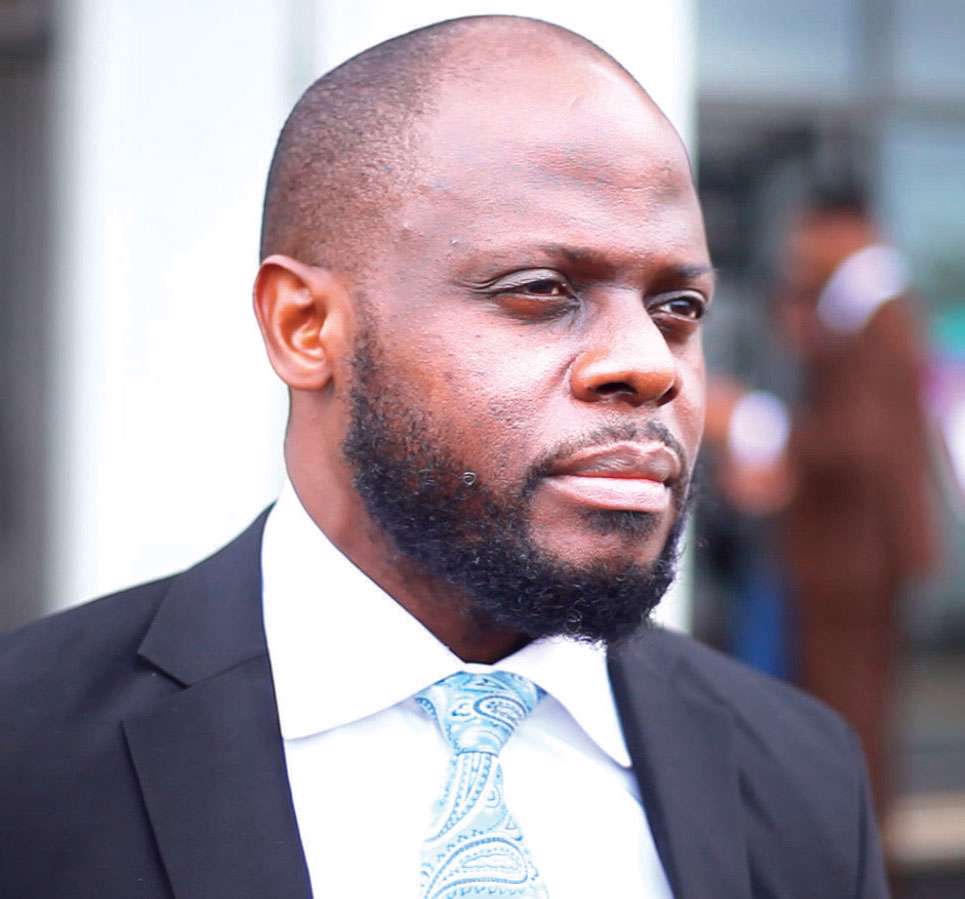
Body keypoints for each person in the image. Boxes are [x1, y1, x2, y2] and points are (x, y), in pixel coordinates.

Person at [0, 17, 887, 898]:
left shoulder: (799, 775)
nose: (650, 365)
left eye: (678, 308)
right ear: (305, 327)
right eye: (542, 290)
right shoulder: (27, 752)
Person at [779, 187, 937, 827]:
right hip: (860, 557)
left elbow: (857, 442)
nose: (797, 250)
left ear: (842, 230)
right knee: (854, 717)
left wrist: (766, 432)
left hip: (854, 559)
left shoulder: (875, 315)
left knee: (848, 719)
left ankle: (854, 860)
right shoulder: (863, 312)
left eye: (805, 235)